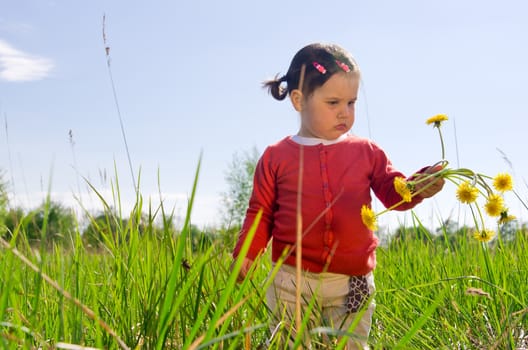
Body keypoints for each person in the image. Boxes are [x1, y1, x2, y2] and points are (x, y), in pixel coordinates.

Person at [232, 43, 445, 349]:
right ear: (298, 100)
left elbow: (393, 191)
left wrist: (418, 186)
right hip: (291, 281)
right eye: (333, 102)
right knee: (290, 344)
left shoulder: (367, 152)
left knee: (350, 345)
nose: (345, 112)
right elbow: (261, 213)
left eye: (351, 102)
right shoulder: (276, 157)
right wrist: (246, 255)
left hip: (351, 283)